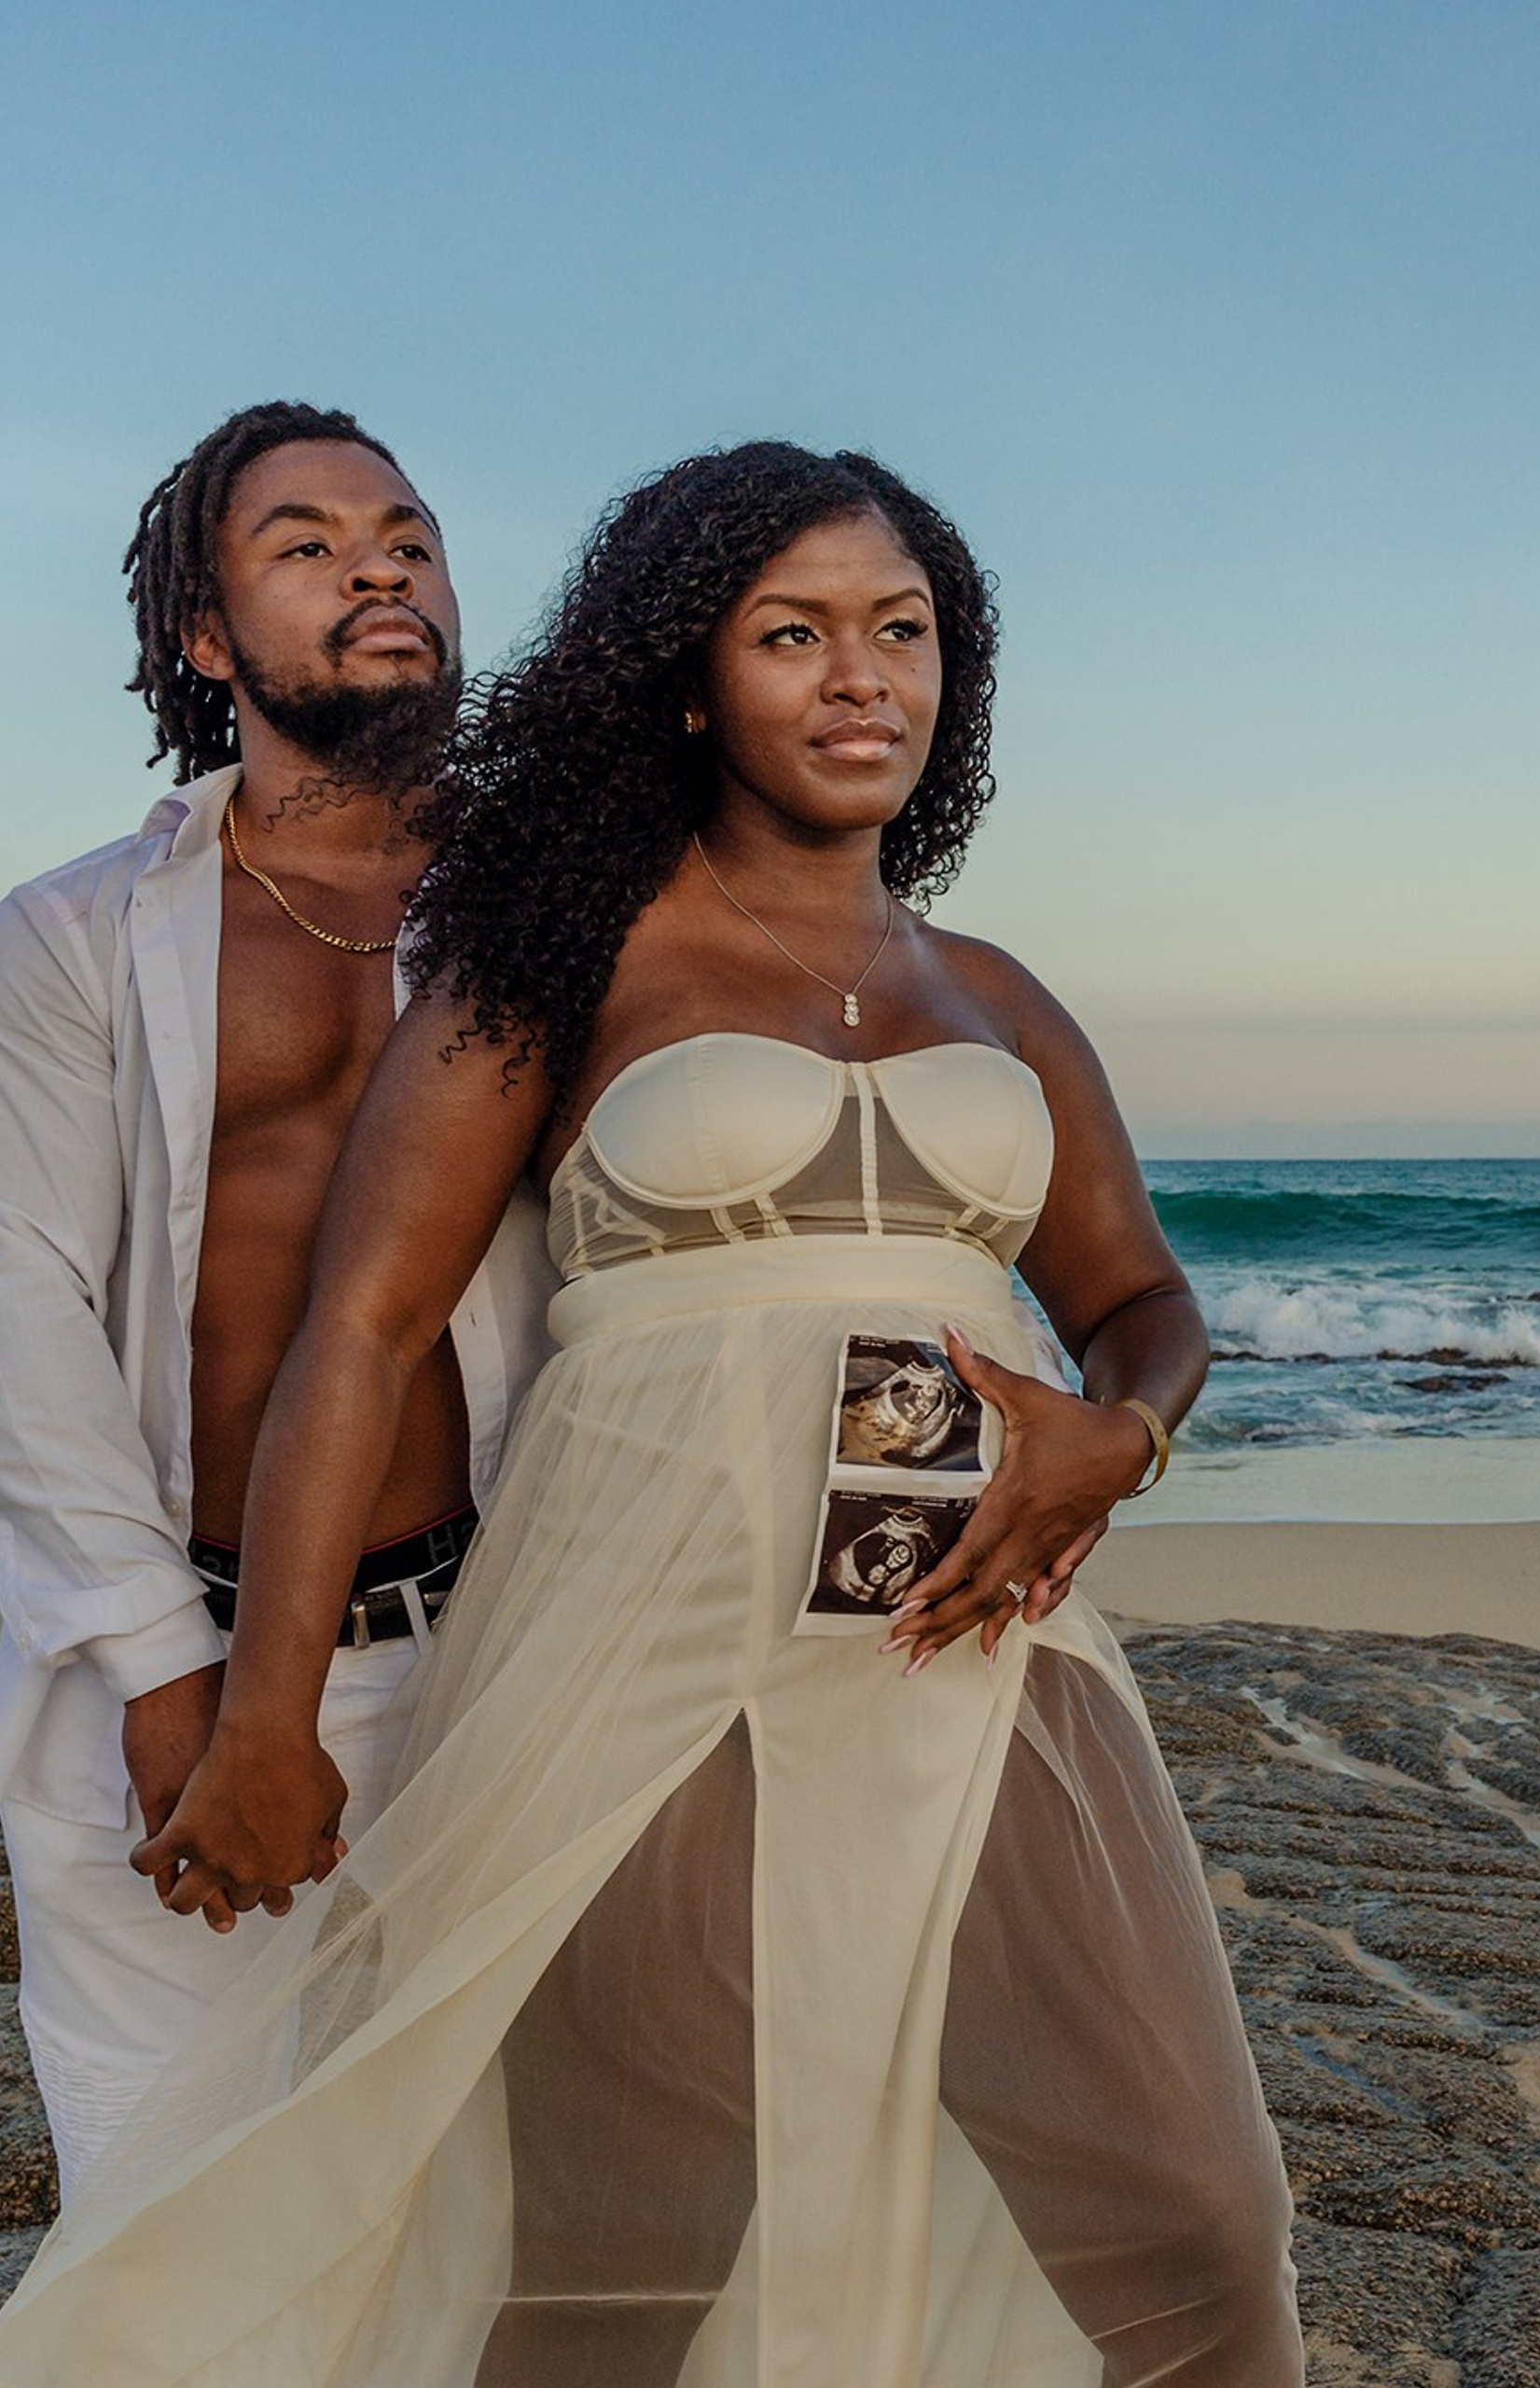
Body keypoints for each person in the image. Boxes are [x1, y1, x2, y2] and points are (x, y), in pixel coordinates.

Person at [0, 444, 1304, 2384]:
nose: (861, 675)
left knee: (1190, 2211)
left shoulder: (998, 991)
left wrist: (1122, 1433)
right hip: (639, 1648)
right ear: (693, 680)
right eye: (794, 634)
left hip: (965, 1648)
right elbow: (340, 1326)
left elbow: (1142, 1298)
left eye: (903, 631)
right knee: (615, 2242)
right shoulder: (541, 951)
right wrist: (247, 1696)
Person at [0, 402, 556, 2203]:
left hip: (512, 1652)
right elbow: (19, 1310)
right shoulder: (75, 935)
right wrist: (185, 1692)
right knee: (170, 2231)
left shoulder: (569, 916)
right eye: (305, 543)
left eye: (407, 533)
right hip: (166, 1658)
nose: (379, 563)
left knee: (473, 2233)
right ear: (208, 637)